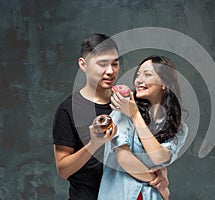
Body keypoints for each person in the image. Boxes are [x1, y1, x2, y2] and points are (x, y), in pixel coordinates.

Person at [52, 34, 169, 200]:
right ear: (83, 65)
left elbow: (153, 150)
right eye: (102, 64)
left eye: (115, 63)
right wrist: (94, 144)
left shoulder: (132, 102)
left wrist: (161, 177)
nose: (110, 71)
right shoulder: (68, 110)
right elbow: (63, 170)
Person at [98, 56, 188, 200]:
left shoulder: (179, 128)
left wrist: (135, 115)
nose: (139, 80)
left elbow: (159, 157)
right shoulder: (123, 110)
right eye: (138, 75)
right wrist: (161, 186)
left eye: (147, 75)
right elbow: (124, 159)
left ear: (165, 83)